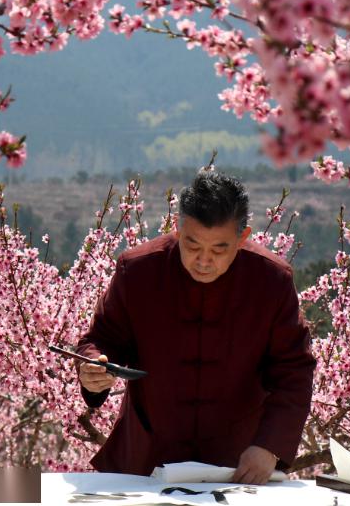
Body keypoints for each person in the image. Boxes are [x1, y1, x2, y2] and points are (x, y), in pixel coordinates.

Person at [76, 170, 316, 484]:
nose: (204, 261)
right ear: (177, 229)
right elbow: (102, 338)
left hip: (237, 462)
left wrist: (269, 446)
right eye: (192, 245)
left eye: (219, 249)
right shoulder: (138, 270)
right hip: (146, 457)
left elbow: (294, 370)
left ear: (242, 238)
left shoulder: (271, 280)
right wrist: (95, 368)